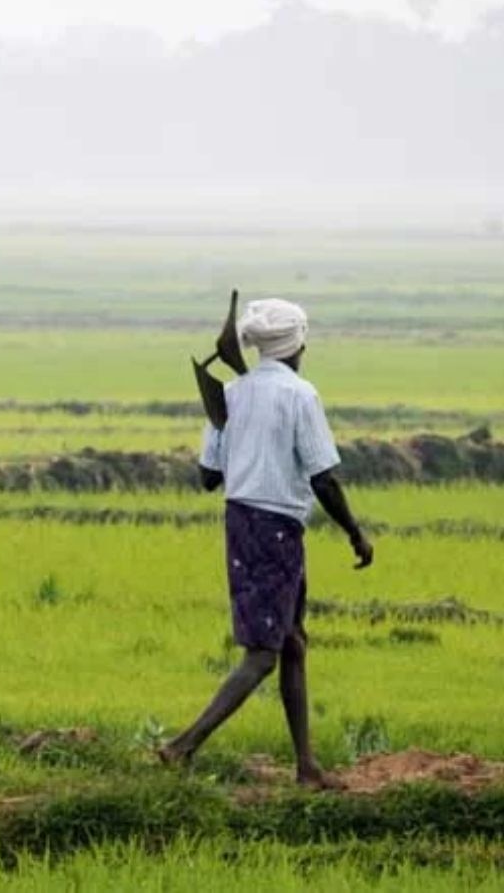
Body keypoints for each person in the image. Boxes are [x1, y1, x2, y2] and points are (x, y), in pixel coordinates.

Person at [158, 298, 374, 789]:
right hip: (277, 528)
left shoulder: (230, 395)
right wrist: (355, 532)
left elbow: (208, 478)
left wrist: (229, 431)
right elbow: (324, 477)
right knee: (262, 654)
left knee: (293, 641)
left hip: (242, 521)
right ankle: (182, 746)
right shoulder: (300, 395)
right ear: (298, 343)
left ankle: (306, 768)